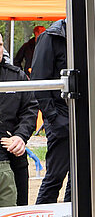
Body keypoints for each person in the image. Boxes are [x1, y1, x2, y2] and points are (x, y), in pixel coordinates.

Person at [31, 19, 70, 204]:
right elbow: (39, 80)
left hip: (86, 116)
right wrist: (53, 117)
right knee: (55, 175)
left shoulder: (91, 34)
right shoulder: (51, 37)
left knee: (81, 177)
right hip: (61, 115)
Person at [0, 33, 37, 208]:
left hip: (14, 156)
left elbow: (30, 109)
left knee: (17, 214)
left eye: (0, 45)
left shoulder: (16, 76)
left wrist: (20, 137)